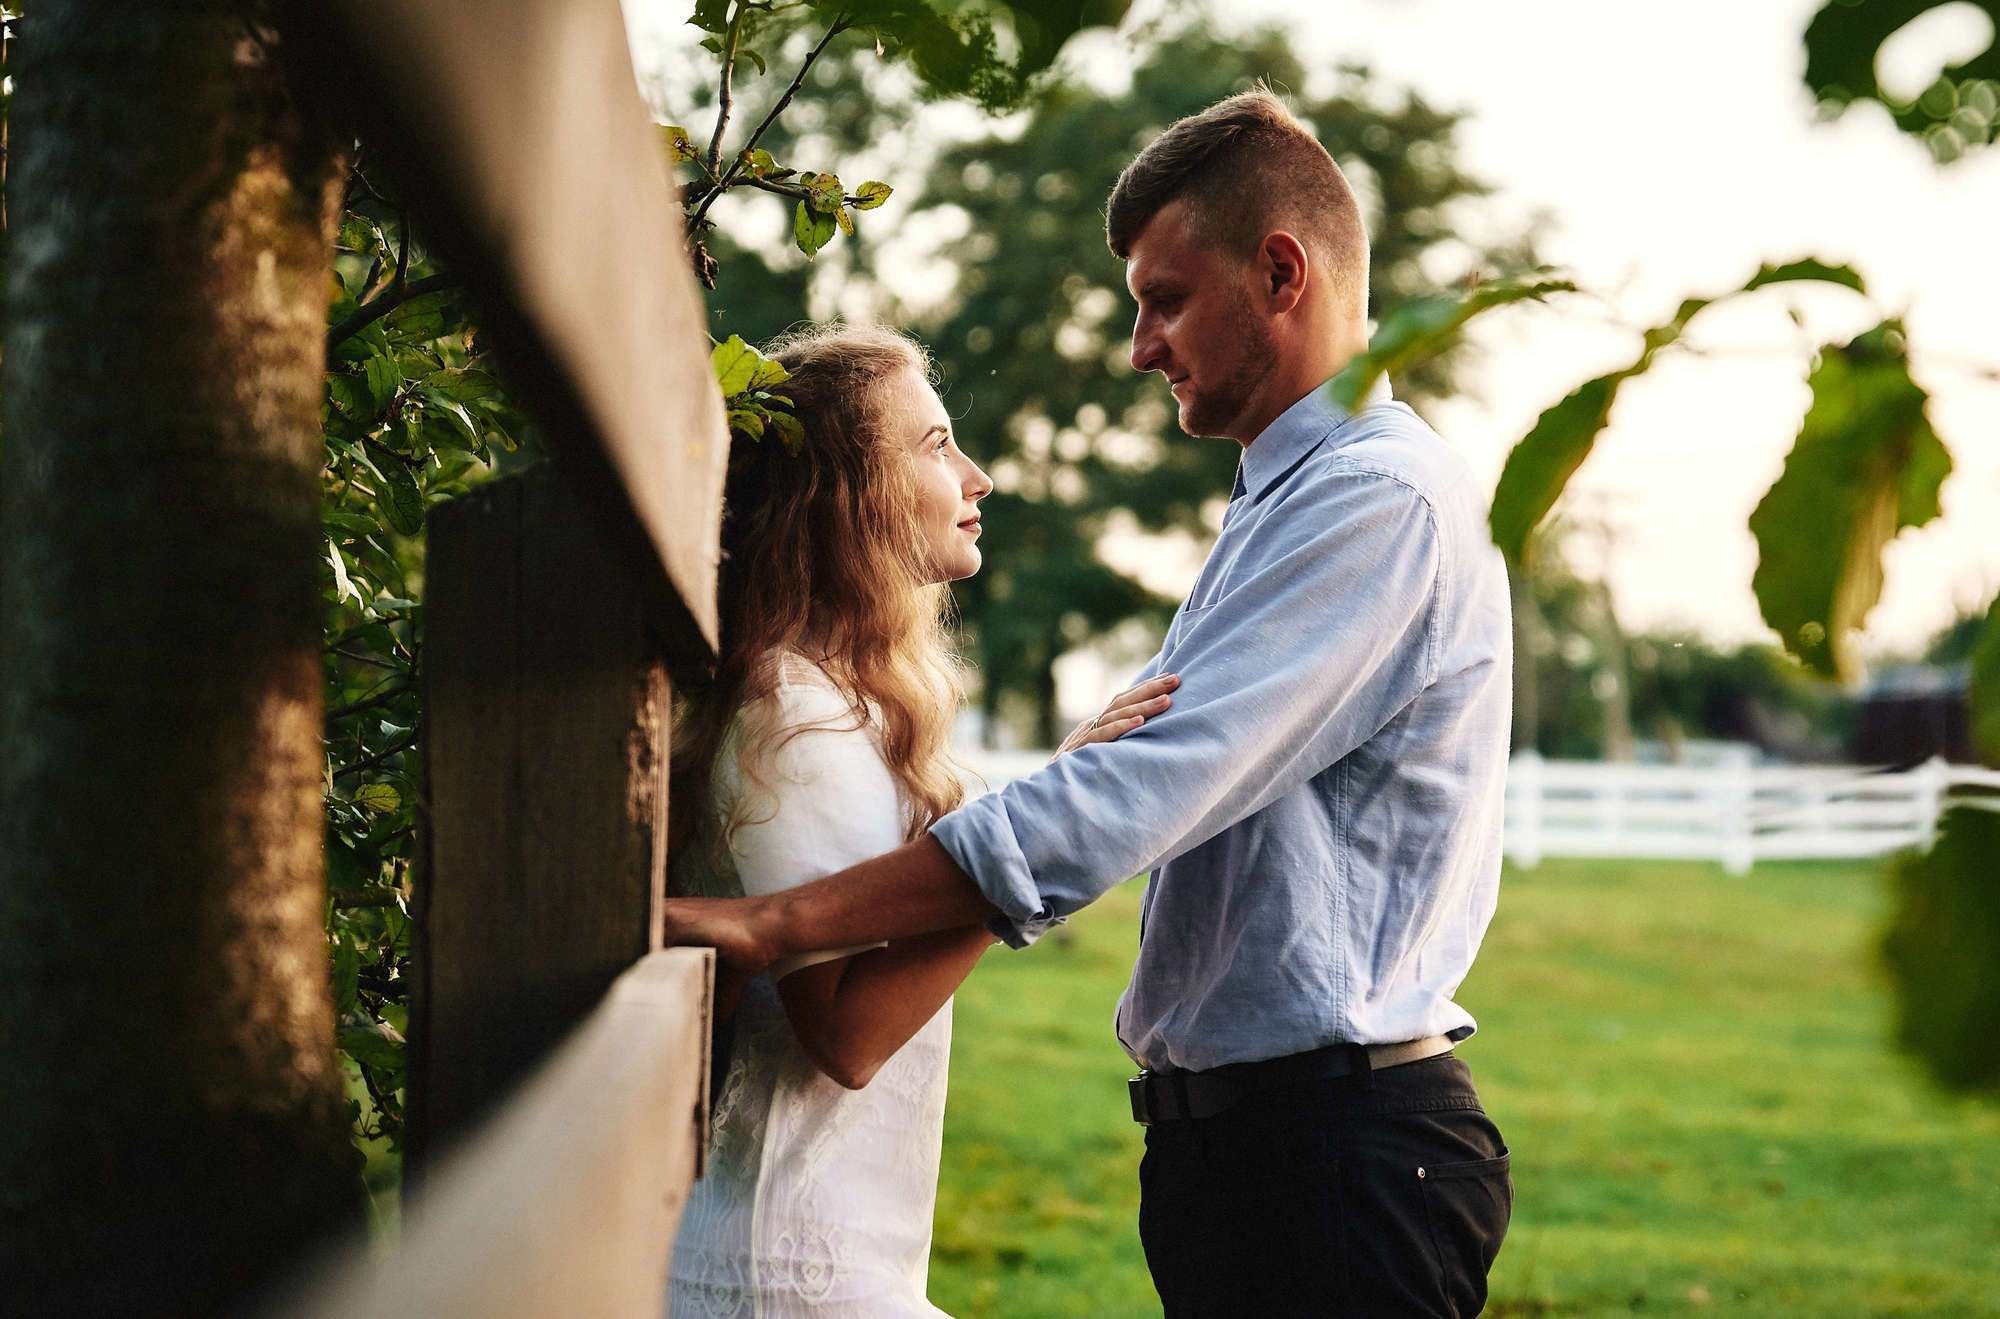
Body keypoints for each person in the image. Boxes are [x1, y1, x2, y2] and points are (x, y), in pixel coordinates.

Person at [665, 87, 1515, 1317]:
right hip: (1255, 1153)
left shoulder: (1375, 501)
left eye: (1164, 299)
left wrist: (777, 924)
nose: (1139, 345)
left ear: (1279, 271)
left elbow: (1138, 789)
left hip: (1329, 1154)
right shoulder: (1283, 499)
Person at [664, 323, 1171, 1317]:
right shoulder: (786, 708)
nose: (975, 476)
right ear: (844, 493)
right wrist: (1033, 836)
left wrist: (1036, 809)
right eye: (936, 445)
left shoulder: (831, 698)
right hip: (782, 1277)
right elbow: (846, 1036)